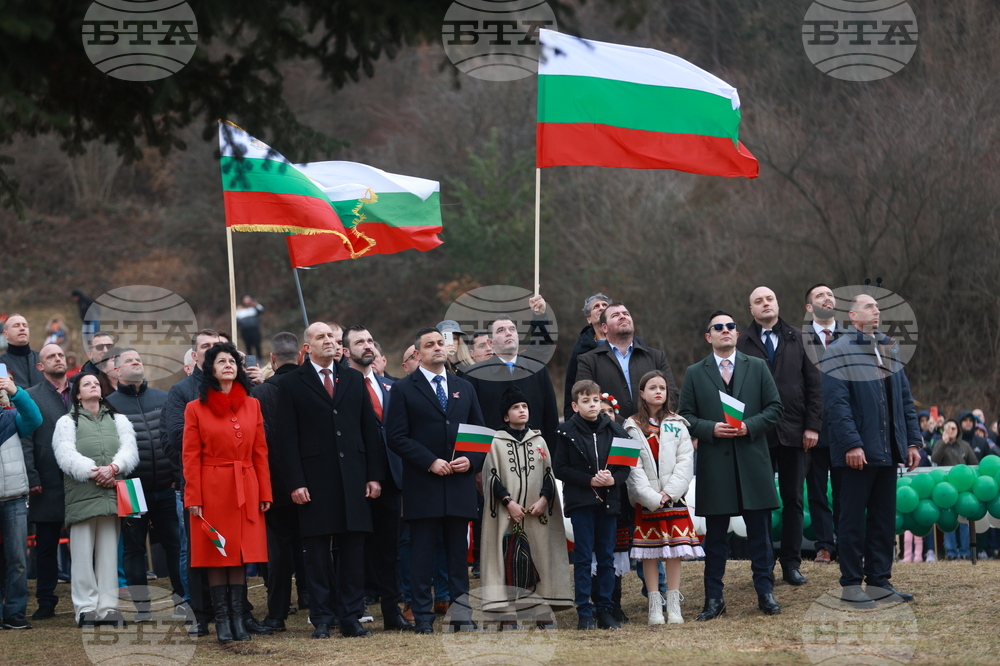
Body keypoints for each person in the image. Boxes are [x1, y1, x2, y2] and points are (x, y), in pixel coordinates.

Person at [276, 323, 384, 639]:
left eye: (332, 338)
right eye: (321, 337)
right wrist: (295, 482)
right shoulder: (293, 383)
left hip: (353, 480)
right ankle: (322, 617)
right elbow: (287, 438)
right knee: (318, 555)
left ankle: (350, 617)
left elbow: (368, 430)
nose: (329, 342)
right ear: (306, 347)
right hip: (314, 482)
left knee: (352, 553)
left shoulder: (351, 378)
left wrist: (374, 475)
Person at [678, 311, 784, 621]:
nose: (726, 330)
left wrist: (749, 426)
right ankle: (714, 599)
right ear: (708, 336)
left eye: (731, 326)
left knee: (761, 535)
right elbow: (686, 416)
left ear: (737, 334)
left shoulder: (759, 367)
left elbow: (775, 408)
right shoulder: (695, 372)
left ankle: (765, 593)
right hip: (716, 465)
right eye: (718, 327)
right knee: (715, 538)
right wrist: (710, 428)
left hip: (753, 462)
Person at [821, 293, 921, 607]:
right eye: (869, 306)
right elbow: (837, 405)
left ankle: (879, 583)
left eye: (877, 306)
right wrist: (852, 443)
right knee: (851, 521)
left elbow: (905, 399)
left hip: (888, 450)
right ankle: (851, 585)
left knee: (882, 519)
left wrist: (912, 441)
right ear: (853, 316)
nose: (876, 310)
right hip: (855, 454)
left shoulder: (890, 348)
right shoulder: (838, 351)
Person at [385, 327, 486, 635]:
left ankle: (461, 614)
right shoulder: (403, 389)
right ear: (418, 353)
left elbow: (481, 434)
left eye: (441, 343)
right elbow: (395, 437)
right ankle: (422, 615)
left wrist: (471, 460)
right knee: (421, 555)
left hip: (459, 485)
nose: (438, 348)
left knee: (458, 554)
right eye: (430, 344)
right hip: (423, 485)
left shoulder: (464, 387)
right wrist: (429, 461)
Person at [183, 342, 272, 644]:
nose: (228, 365)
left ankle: (238, 618)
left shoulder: (252, 404)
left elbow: (260, 452)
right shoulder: (195, 408)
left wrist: (264, 492)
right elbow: (190, 457)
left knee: (239, 554)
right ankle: (222, 620)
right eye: (221, 361)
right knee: (216, 552)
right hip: (212, 488)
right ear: (210, 369)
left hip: (246, 486)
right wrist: (193, 497)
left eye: (232, 360)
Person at [736, 286, 823, 586]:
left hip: (794, 431)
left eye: (769, 299)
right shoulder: (740, 342)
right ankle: (764, 565)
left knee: (794, 499)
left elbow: (814, 385)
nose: (765, 304)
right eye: (758, 301)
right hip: (755, 434)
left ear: (777, 303)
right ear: (752, 310)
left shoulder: (800, 338)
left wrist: (812, 426)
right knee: (758, 502)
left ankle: (791, 563)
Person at [52, 372, 139, 627]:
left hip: (111, 493)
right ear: (77, 393)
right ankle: (85, 609)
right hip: (82, 495)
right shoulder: (67, 422)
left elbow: (129, 450)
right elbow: (66, 455)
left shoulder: (119, 420)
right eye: (86, 384)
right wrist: (96, 472)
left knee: (108, 553)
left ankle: (108, 608)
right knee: (81, 554)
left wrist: (113, 468)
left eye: (96, 383)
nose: (93, 386)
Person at [480, 386, 572, 623]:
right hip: (506, 513)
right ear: (505, 416)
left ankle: (541, 608)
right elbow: (491, 477)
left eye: (524, 407)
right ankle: (507, 611)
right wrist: (508, 503)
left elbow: (549, 474)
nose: (521, 411)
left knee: (541, 555)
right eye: (515, 407)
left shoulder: (539, 440)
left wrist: (543, 499)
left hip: (536, 512)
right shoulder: (496, 442)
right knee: (507, 559)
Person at [105, 349, 182, 621]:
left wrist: (177, 474)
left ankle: (183, 599)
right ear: (116, 371)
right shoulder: (108, 405)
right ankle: (142, 609)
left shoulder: (164, 397)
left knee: (175, 543)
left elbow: (176, 438)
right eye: (129, 360)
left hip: (165, 486)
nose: (137, 362)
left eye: (138, 359)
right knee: (134, 548)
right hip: (130, 488)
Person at [343, 326, 412, 632]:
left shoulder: (388, 386)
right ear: (346, 351)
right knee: (354, 549)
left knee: (389, 550)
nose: (367, 346)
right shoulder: (340, 386)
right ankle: (352, 611)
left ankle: (391, 612)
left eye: (370, 341)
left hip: (392, 477)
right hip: (357, 481)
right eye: (360, 342)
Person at [623, 371, 702, 625]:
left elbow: (685, 461)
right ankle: (655, 605)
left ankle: (674, 605)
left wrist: (669, 493)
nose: (659, 391)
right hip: (648, 500)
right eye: (652, 387)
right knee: (650, 552)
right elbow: (631, 467)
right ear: (642, 393)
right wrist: (650, 496)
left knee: (674, 552)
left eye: (663, 388)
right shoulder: (631, 426)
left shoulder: (678, 424)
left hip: (673, 498)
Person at [553, 379, 631, 631]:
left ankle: (605, 609)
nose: (592, 405)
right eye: (585, 401)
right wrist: (589, 480)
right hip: (581, 502)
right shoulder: (566, 432)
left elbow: (625, 467)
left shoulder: (616, 430)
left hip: (609, 502)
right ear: (575, 406)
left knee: (607, 556)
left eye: (596, 400)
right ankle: (584, 611)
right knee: (584, 557)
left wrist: (612, 479)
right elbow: (560, 468)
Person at [251, 332, 308, 631]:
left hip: (274, 483)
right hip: (312, 482)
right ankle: (318, 606)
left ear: (272, 360)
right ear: (300, 356)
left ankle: (277, 614)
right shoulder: (313, 386)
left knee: (279, 553)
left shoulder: (260, 395)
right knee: (316, 547)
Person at [22, 344, 71, 620]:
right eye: (51, 356)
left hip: (81, 481)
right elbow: (26, 438)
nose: (58, 358)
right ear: (41, 367)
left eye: (60, 354)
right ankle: (46, 600)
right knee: (46, 544)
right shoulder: (31, 397)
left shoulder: (82, 391)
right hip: (46, 478)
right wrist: (31, 475)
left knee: (84, 541)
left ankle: (85, 597)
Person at [464, 313, 560, 451]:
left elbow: (550, 417)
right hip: (493, 458)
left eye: (512, 329)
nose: (508, 333)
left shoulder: (537, 369)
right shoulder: (475, 374)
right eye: (501, 330)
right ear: (490, 343)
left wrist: (552, 458)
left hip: (536, 456)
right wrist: (476, 464)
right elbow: (470, 422)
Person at [801, 283, 844, 565]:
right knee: (817, 492)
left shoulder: (853, 337)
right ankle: (824, 546)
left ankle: (847, 543)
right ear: (809, 307)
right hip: (812, 429)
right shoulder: (798, 340)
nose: (827, 298)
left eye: (830, 295)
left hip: (846, 429)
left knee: (847, 491)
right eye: (820, 295)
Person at [577, 302, 678, 420]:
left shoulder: (656, 357)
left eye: (626, 314)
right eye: (615, 315)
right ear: (604, 327)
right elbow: (585, 401)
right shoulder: (588, 360)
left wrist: (647, 422)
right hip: (610, 433)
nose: (622, 316)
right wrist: (623, 426)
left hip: (652, 432)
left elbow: (672, 396)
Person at [0, 373, 43, 630]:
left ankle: (14, 613)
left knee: (17, 559)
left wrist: (15, 391)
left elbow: (35, 418)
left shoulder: (11, 418)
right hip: (14, 499)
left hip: (15, 498)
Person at [564, 293, 611, 420]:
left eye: (605, 305)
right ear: (588, 319)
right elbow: (571, 385)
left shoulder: (630, 342)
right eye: (596, 306)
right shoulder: (580, 348)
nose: (601, 308)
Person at [0, 315, 45, 389]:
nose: (22, 328)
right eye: (16, 326)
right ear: (6, 334)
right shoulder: (1, 363)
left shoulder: (43, 358)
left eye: (25, 325)